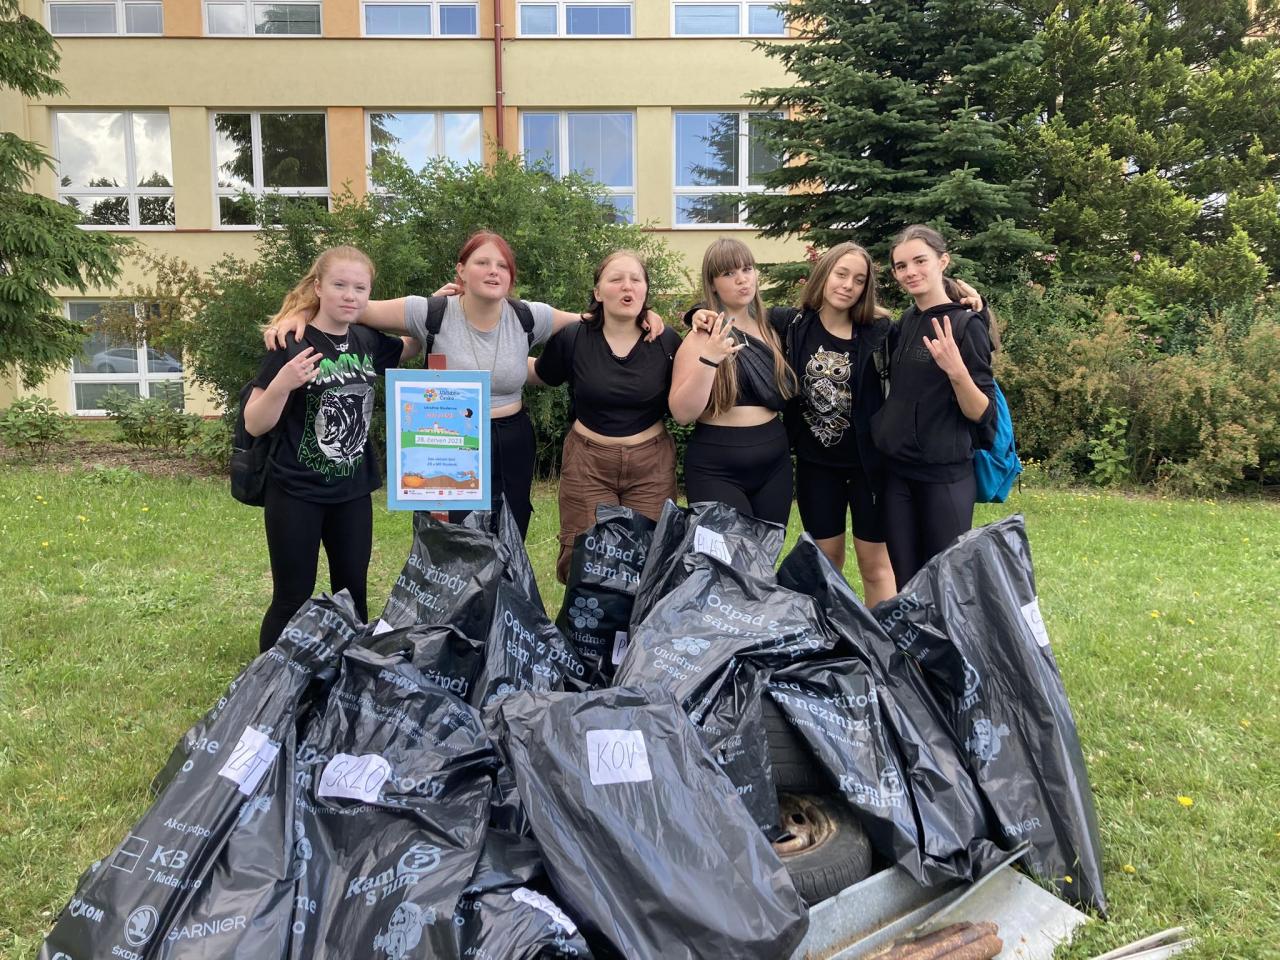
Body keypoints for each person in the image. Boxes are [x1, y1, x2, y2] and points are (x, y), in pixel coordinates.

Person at [264, 230, 663, 539]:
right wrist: (298, 315)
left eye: (502, 265)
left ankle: (501, 614)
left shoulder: (530, 317)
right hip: (447, 440)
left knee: (509, 530)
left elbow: (596, 319)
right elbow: (351, 306)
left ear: (511, 276)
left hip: (510, 440)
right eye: (482, 262)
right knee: (447, 536)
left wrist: (646, 316)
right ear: (461, 271)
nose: (493, 271)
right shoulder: (429, 311)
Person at [245, 245, 418, 652]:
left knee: (353, 593)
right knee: (292, 596)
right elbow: (254, 422)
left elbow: (412, 345)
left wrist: (443, 307)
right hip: (296, 490)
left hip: (352, 492)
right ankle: (269, 679)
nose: (350, 295)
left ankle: (348, 675)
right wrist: (283, 383)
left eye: (360, 288)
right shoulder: (292, 341)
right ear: (318, 287)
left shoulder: (367, 340)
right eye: (340, 285)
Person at [528, 250, 683, 582]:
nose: (627, 286)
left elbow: (689, 393)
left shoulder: (666, 341)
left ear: (645, 290)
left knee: (651, 564)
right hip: (588, 465)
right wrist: (479, 365)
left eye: (636, 279)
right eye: (616, 279)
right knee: (583, 562)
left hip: (651, 467)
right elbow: (540, 372)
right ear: (598, 292)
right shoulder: (573, 337)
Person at [872, 224, 997, 587]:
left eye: (920, 261)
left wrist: (957, 371)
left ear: (943, 261)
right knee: (907, 584)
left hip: (945, 480)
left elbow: (982, 412)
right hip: (898, 477)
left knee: (945, 586)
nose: (910, 271)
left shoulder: (965, 324)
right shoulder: (907, 322)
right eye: (901, 266)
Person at [669, 238, 797, 525]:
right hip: (716, 468)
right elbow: (682, 414)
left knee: (766, 551)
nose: (742, 279)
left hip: (774, 464)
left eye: (747, 269)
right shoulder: (701, 336)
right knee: (728, 553)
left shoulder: (772, 328)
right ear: (712, 284)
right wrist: (710, 359)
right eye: (729, 273)